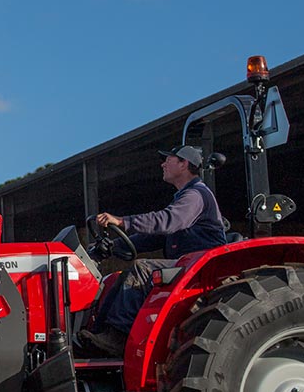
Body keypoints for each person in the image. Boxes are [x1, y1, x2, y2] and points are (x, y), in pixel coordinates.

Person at [78, 145, 228, 357]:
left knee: (142, 269)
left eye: (169, 159)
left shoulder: (196, 194)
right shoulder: (185, 196)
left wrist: (122, 221)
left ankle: (118, 338)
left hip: (200, 267)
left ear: (184, 163)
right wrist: (112, 247)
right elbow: (155, 236)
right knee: (117, 279)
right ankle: (97, 334)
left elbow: (167, 221)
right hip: (188, 264)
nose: (163, 164)